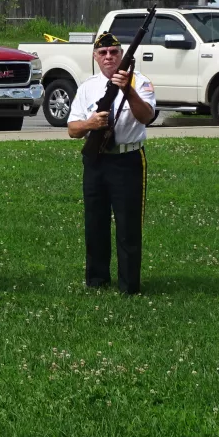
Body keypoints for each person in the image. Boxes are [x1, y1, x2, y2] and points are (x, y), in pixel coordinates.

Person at [67, 32, 156, 295]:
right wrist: (89, 124)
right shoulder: (87, 87)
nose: (109, 58)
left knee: (128, 225)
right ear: (95, 57)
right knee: (95, 222)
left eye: (114, 53)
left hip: (128, 159)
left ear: (122, 55)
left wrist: (127, 90)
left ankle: (129, 286)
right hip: (96, 161)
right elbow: (72, 129)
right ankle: (97, 281)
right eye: (103, 53)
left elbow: (146, 116)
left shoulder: (140, 83)